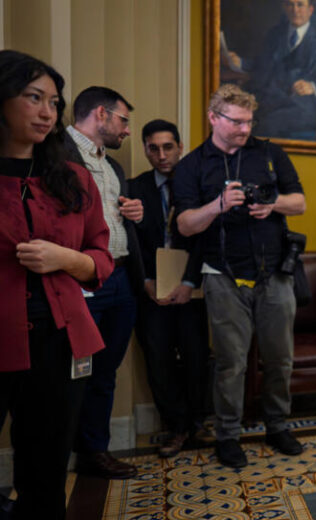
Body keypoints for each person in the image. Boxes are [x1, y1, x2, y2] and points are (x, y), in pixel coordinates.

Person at [0, 49, 114, 519]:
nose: (48, 112)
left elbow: (102, 260)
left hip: (62, 341)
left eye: (54, 101)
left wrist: (68, 258)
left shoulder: (73, 178)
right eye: (33, 98)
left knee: (46, 473)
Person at [174, 84, 307, 468]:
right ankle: (228, 436)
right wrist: (217, 205)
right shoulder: (192, 165)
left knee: (280, 358)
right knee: (231, 362)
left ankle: (278, 426)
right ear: (214, 118)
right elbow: (184, 225)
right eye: (236, 121)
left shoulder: (269, 154)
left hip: (275, 274)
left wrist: (272, 203)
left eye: (249, 121)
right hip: (222, 276)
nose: (244, 129)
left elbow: (299, 202)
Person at [64, 85, 145, 480]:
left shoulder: (113, 168)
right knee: (69, 372)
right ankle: (54, 457)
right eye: (123, 120)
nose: (127, 130)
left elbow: (114, 222)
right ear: (101, 114)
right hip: (77, 280)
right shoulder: (55, 153)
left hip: (120, 279)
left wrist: (135, 214)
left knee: (105, 372)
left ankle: (94, 452)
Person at [129, 119, 210, 457]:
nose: (161, 155)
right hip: (151, 287)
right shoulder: (135, 188)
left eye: (168, 147)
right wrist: (145, 280)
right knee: (159, 358)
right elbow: (130, 242)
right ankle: (175, 427)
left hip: (191, 286)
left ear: (180, 147)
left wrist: (190, 282)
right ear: (146, 149)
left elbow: (206, 239)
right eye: (153, 148)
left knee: (196, 356)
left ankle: (199, 422)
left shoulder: (199, 185)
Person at [226, 0, 316, 140]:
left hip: (302, 105)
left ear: (310, 10)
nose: (295, 10)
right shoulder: (274, 35)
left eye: (300, 5)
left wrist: (313, 85)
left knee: (266, 124)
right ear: (284, 8)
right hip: (271, 99)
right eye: (290, 5)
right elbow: (261, 64)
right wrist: (241, 62)